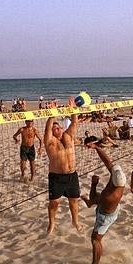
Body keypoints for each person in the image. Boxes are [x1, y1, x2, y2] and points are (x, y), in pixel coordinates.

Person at [79, 136, 126, 264]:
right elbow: (108, 161)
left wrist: (94, 184)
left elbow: (94, 198)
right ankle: (87, 203)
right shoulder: (118, 180)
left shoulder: (109, 196)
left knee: (95, 239)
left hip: (106, 215)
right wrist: (96, 148)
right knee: (94, 204)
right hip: (110, 209)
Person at [44, 98, 81, 234]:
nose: (56, 129)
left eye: (58, 127)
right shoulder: (50, 142)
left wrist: (73, 109)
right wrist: (52, 114)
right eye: (54, 128)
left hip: (72, 175)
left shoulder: (68, 136)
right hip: (56, 177)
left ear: (61, 128)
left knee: (74, 201)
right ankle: (52, 224)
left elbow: (75, 122)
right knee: (54, 203)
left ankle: (75, 221)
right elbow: (47, 129)